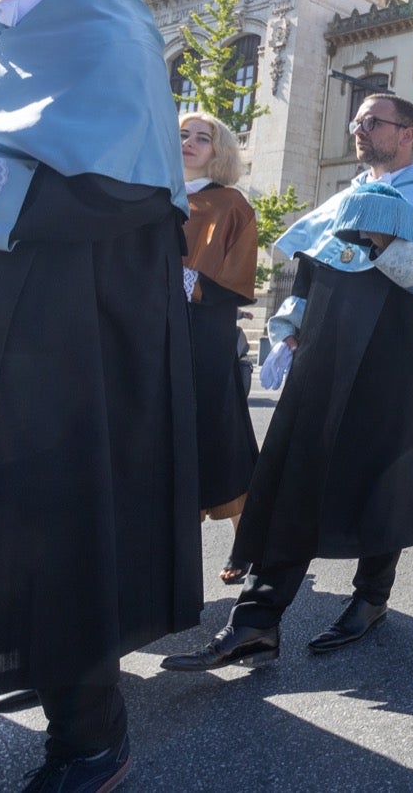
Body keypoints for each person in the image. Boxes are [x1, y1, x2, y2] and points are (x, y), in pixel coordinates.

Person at [0, 0, 199, 788]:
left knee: (52, 521)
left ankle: (91, 735)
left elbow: (106, 188)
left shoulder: (104, 14)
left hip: (56, 332)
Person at [164, 95, 413, 675]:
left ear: (408, 133)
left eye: (372, 122)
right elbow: (308, 273)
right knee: (293, 476)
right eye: (356, 121)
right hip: (324, 356)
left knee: (385, 475)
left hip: (395, 360)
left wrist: (388, 247)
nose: (359, 129)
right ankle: (256, 621)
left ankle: (371, 598)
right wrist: (285, 333)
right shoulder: (347, 192)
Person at [179, 112, 260, 585]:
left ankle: (247, 540)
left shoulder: (231, 205)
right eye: (182, 135)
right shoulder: (152, 197)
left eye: (201, 138)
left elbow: (237, 279)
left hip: (205, 341)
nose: (189, 142)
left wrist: (183, 281)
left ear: (219, 150)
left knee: (221, 439)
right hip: (152, 337)